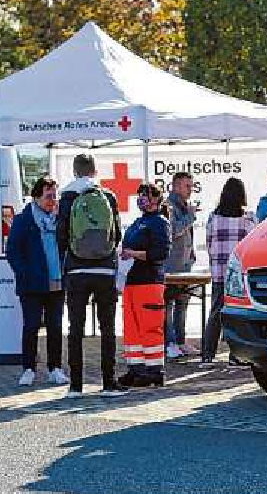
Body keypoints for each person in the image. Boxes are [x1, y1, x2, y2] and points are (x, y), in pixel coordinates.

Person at [57, 153, 124, 398]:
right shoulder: (107, 196)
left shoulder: (67, 196)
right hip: (105, 269)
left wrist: (68, 260)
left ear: (74, 172)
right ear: (95, 171)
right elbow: (117, 234)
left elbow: (61, 234)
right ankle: (108, 383)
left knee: (76, 328)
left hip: (76, 270)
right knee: (108, 327)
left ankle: (75, 386)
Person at [6, 177, 69, 387]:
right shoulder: (24, 219)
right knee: (31, 326)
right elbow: (13, 251)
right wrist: (24, 274)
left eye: (54, 196)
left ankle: (55, 369)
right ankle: (29, 369)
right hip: (32, 285)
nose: (53, 200)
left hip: (57, 283)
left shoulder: (60, 219)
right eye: (48, 196)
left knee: (55, 327)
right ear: (36, 197)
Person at [119, 183, 172, 388]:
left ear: (158, 200)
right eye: (140, 195)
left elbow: (160, 254)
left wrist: (133, 254)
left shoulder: (160, 223)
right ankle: (136, 368)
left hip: (149, 282)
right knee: (132, 330)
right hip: (131, 282)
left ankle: (154, 371)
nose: (143, 199)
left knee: (150, 327)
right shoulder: (136, 223)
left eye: (148, 195)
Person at [200, 178, 256, 367]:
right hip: (238, 275)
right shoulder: (248, 218)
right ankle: (235, 355)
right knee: (236, 314)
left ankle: (207, 355)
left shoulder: (213, 218)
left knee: (215, 313)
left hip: (218, 272)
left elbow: (208, 244)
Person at [165, 171, 197, 359]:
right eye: (187, 186)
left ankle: (180, 341)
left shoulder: (185, 206)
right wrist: (190, 217)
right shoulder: (168, 206)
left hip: (185, 265)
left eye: (191, 186)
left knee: (182, 303)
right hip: (171, 266)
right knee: (168, 304)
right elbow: (174, 231)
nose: (190, 190)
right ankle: (169, 343)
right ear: (175, 186)